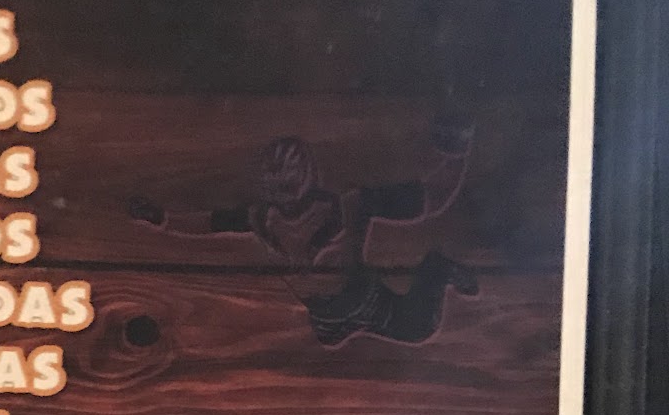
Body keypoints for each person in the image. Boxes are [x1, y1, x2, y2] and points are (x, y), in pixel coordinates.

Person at [130, 120, 478, 345]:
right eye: (278, 187)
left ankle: (437, 269)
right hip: (324, 319)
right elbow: (209, 224)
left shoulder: (349, 205)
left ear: (308, 176)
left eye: (291, 184)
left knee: (418, 327)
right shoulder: (261, 217)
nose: (288, 198)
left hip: (363, 301)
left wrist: (455, 151)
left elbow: (430, 199)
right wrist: (162, 219)